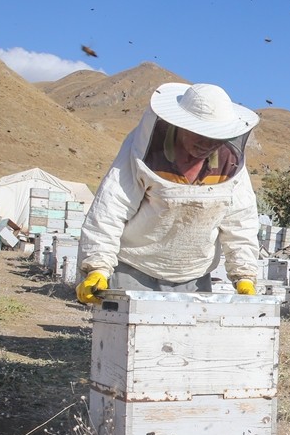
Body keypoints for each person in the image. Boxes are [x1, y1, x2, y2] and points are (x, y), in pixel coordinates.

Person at [76, 82, 262, 303]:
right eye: (201, 134)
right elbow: (110, 209)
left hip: (195, 275)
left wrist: (244, 276)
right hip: (134, 268)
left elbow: (241, 222)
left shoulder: (230, 163)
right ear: (181, 124)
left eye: (216, 137)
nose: (208, 143)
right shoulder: (144, 150)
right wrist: (97, 267)